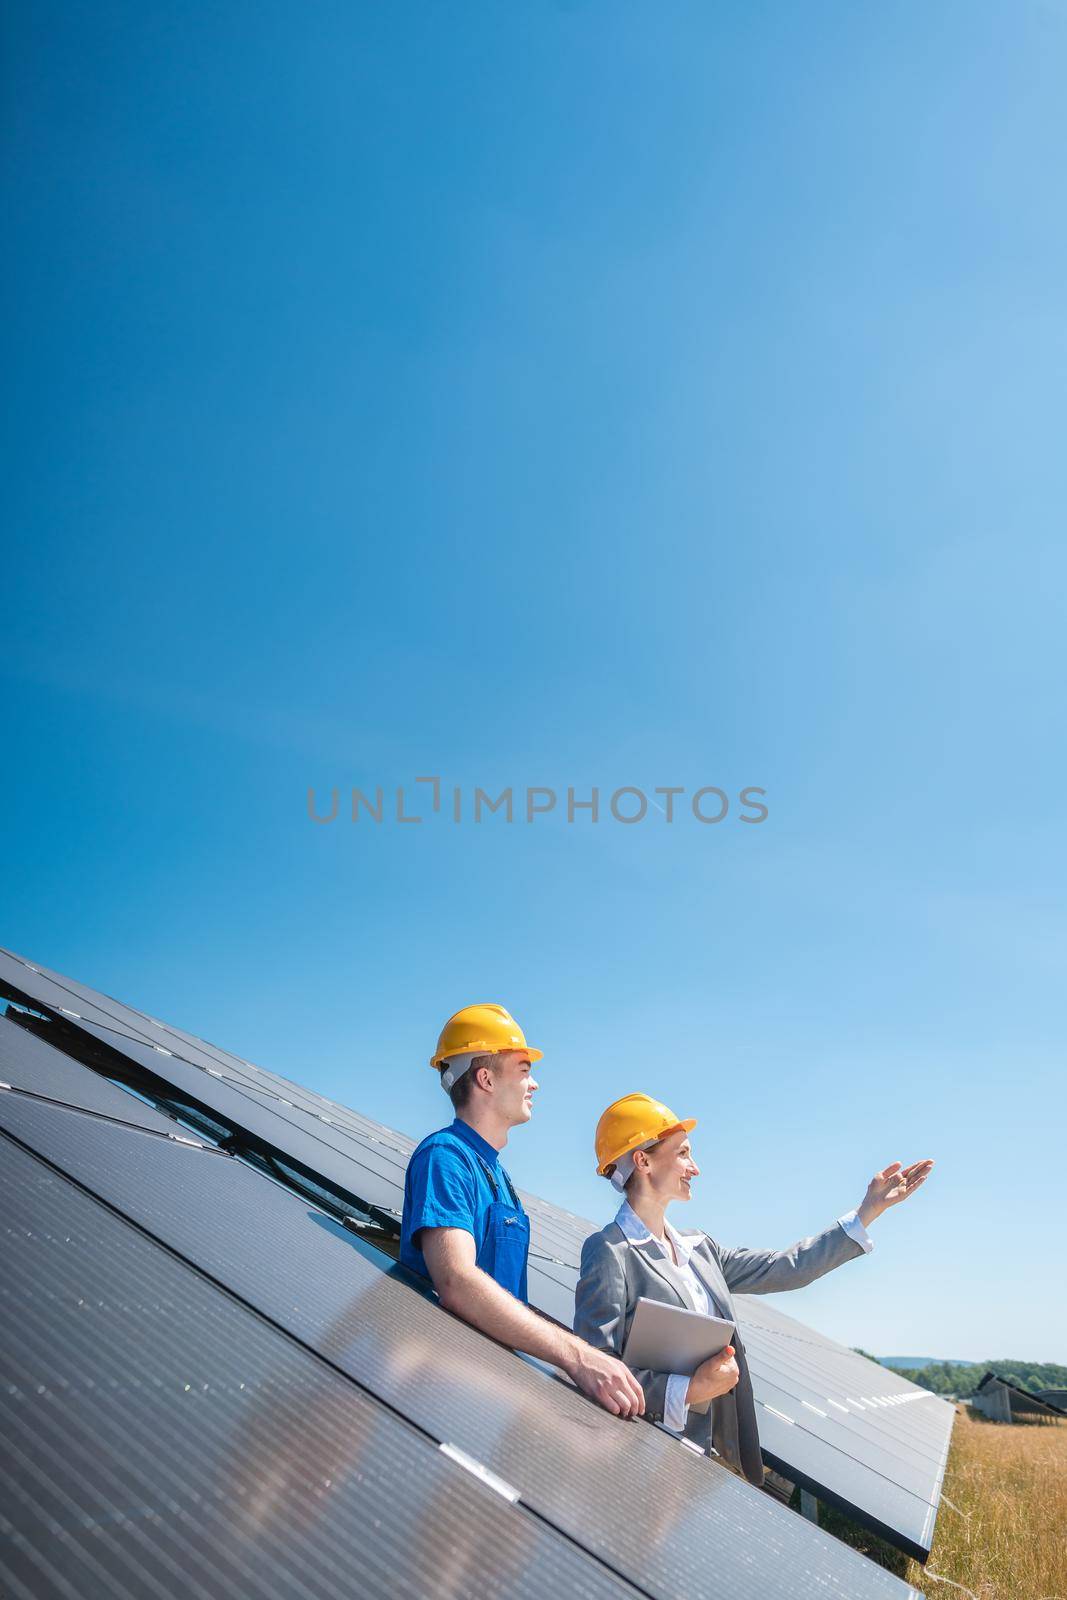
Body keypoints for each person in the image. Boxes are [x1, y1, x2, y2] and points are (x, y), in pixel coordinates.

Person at [573, 1092, 934, 1482]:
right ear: (642, 1160)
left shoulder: (700, 1249)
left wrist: (869, 1212)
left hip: (704, 1458)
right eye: (683, 1153)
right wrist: (690, 1389)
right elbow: (596, 1370)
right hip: (644, 1458)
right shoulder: (610, 1250)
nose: (694, 1168)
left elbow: (787, 1268)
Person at [400, 1003, 645, 1418]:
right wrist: (578, 1358)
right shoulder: (445, 1157)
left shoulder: (497, 1176)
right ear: (485, 1078)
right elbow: (457, 1281)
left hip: (485, 1386)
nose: (535, 1084)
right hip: (443, 1393)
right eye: (524, 1069)